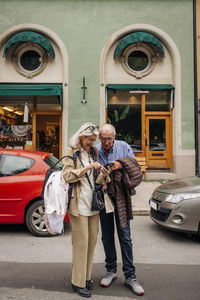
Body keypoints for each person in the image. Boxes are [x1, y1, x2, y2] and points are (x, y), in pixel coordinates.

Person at [97, 124, 144, 296]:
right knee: (107, 236)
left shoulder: (124, 147)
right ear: (99, 138)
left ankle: (130, 276)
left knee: (125, 237)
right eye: (103, 139)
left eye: (109, 139)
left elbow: (134, 168)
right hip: (104, 199)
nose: (106, 142)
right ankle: (111, 271)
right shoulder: (96, 151)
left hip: (121, 198)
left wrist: (119, 165)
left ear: (114, 137)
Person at [62, 122, 109, 298]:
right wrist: (89, 167)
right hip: (78, 205)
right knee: (80, 245)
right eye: (90, 139)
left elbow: (96, 180)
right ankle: (77, 281)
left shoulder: (93, 152)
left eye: (94, 139)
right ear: (81, 136)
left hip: (93, 205)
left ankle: (86, 277)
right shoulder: (70, 152)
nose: (93, 142)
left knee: (91, 244)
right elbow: (67, 175)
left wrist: (104, 175)